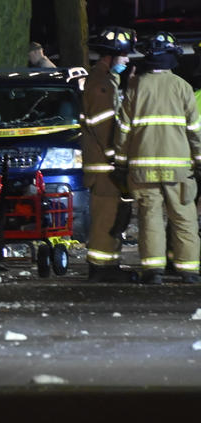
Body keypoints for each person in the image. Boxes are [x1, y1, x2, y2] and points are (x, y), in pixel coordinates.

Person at [113, 31, 201, 284]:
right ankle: (189, 271)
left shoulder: (136, 87)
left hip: (142, 169)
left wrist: (120, 162)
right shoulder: (183, 88)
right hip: (179, 170)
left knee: (149, 217)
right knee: (184, 217)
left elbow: (123, 131)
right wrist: (199, 160)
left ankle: (153, 271)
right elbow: (194, 132)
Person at [81, 26, 137, 283]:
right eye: (124, 56)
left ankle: (108, 265)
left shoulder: (105, 80)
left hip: (104, 165)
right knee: (106, 216)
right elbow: (106, 129)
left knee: (113, 215)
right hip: (105, 167)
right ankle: (101, 268)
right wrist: (117, 159)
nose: (127, 61)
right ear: (110, 56)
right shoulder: (102, 85)